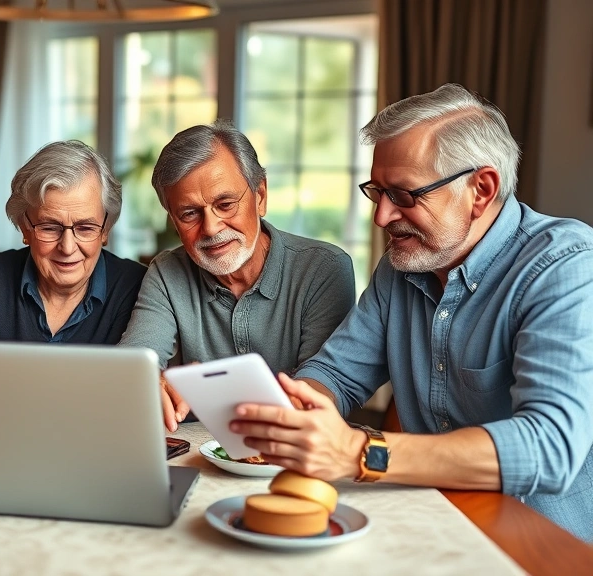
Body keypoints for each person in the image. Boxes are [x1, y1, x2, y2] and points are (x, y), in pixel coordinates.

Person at [230, 84, 593, 542]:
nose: (381, 217)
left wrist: (361, 452)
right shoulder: (402, 266)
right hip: (430, 527)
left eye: (403, 195)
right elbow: (337, 373)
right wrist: (295, 408)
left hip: (543, 546)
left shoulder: (566, 266)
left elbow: (550, 447)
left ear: (480, 189)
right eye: (376, 192)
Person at [119, 120, 356, 432]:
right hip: (197, 454)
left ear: (260, 196)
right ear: (174, 222)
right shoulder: (166, 272)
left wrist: (208, 388)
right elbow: (132, 368)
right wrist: (149, 383)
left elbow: (321, 390)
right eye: (189, 213)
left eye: (225, 204)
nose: (211, 227)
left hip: (291, 454)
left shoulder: (324, 269)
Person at [0, 140, 146, 344]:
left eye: (85, 228)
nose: (67, 248)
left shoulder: (136, 286)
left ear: (106, 229)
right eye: (49, 228)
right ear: (25, 227)